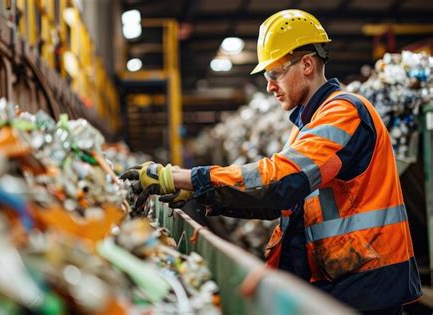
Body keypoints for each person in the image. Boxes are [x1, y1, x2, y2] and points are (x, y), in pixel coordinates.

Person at [121, 9, 422, 314]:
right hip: (339, 278)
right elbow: (280, 202)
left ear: (306, 64)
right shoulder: (307, 125)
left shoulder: (344, 113)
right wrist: (202, 193)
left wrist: (186, 178)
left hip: (365, 285)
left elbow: (282, 184)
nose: (269, 86)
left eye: (274, 74)